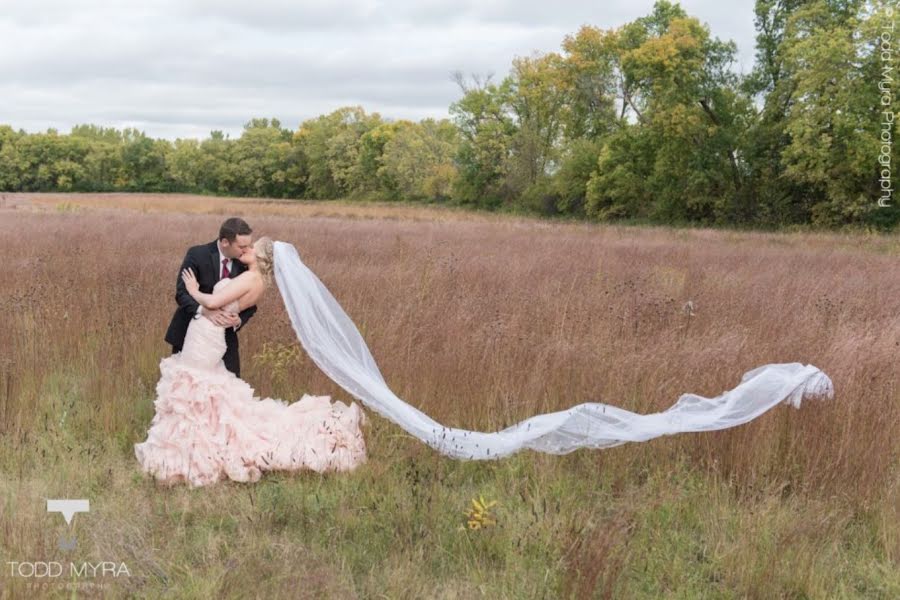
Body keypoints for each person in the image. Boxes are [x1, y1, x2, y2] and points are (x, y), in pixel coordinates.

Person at [135, 235, 368, 488]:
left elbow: (213, 302)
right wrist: (232, 316)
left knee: (193, 389)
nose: (246, 249)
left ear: (261, 258)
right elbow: (233, 306)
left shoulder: (249, 278)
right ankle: (190, 445)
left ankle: (191, 451)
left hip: (207, 337)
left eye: (251, 248)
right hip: (207, 336)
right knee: (202, 394)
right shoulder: (257, 281)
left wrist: (193, 290)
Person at [164, 217, 258, 378]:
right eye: (242, 246)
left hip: (225, 339)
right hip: (191, 335)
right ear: (224, 242)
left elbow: (251, 304)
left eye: (249, 245)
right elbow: (182, 293)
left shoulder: (245, 264)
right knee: (186, 387)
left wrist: (239, 320)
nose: (247, 250)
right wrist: (204, 311)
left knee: (229, 389)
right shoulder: (197, 254)